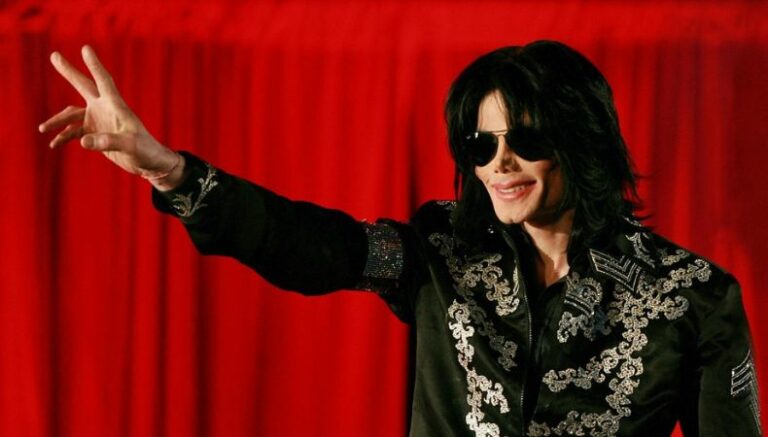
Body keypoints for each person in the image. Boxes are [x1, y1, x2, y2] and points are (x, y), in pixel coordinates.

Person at [39, 41, 761, 437]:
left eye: (527, 141)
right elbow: (308, 243)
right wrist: (169, 170)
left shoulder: (695, 298)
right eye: (481, 145)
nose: (500, 165)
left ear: (583, 143)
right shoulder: (440, 252)